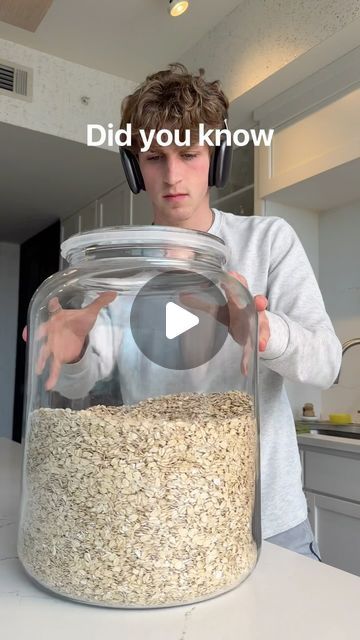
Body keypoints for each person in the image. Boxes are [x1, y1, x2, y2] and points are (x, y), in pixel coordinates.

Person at [23, 63, 342, 560]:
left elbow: (326, 363)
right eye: (154, 158)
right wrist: (76, 353)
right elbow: (81, 384)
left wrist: (260, 332)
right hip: (159, 516)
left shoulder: (267, 242)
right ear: (134, 169)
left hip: (268, 519)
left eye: (189, 154)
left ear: (216, 160)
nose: (172, 176)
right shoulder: (117, 268)